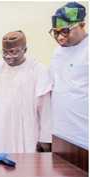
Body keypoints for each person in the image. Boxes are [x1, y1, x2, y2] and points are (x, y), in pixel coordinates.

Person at [0, 31, 52, 153]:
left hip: (26, 132)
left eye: (13, 52)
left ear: (25, 50)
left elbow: (45, 109)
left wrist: (45, 138)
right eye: (5, 52)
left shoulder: (38, 71)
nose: (8, 56)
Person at [49, 2, 88, 149]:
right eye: (55, 32)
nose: (60, 38)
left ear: (82, 25)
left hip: (84, 136)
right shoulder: (58, 52)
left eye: (65, 31)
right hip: (61, 135)